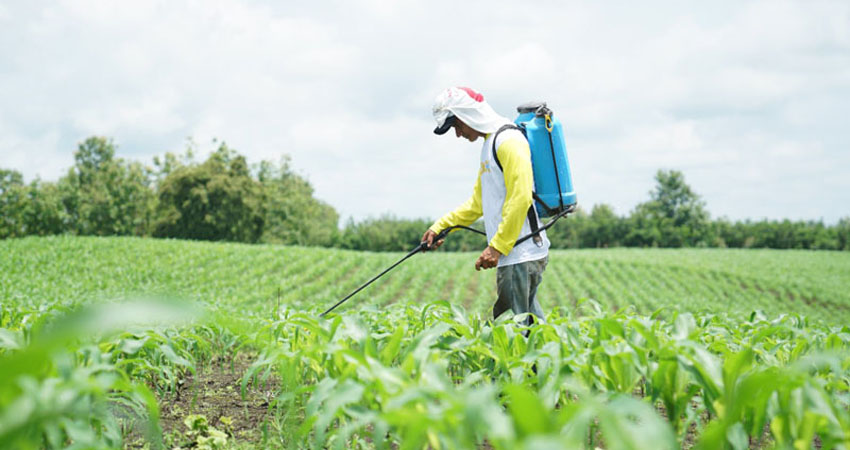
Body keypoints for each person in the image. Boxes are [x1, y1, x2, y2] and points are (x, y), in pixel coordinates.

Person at [421, 86, 550, 326]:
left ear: (468, 116)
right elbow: (477, 204)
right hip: (515, 254)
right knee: (530, 328)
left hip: (519, 254)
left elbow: (521, 196)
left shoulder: (508, 141)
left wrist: (497, 247)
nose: (458, 134)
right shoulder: (491, 144)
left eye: (456, 125)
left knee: (511, 330)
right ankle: (555, 362)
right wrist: (441, 226)